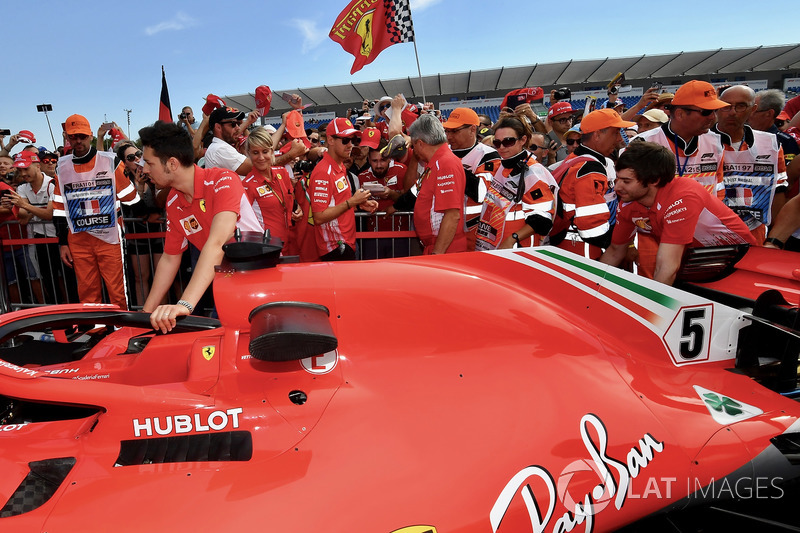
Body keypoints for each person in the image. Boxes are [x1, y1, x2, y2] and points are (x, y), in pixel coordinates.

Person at [138, 121, 262, 333]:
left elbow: (217, 243)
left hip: (256, 284)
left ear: (172, 164)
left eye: (150, 163)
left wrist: (183, 305)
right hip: (224, 284)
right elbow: (169, 258)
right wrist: (143, 317)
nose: (145, 169)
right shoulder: (173, 201)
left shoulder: (223, 180)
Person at [600, 142, 756, 285]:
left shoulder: (683, 196)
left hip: (740, 267)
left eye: (626, 181)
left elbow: (667, 267)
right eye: (617, 179)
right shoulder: (629, 202)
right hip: (696, 268)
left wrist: (651, 312)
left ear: (654, 180)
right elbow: (615, 251)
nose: (617, 187)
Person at [53, 114, 139, 309]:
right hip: (78, 239)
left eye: (82, 136)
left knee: (117, 291)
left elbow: (130, 197)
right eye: (73, 136)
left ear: (90, 135)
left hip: (109, 237)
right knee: (87, 292)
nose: (78, 140)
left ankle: (122, 331)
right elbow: (59, 209)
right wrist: (62, 243)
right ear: (67, 137)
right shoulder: (61, 167)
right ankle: (96, 332)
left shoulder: (110, 161)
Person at [550, 109, 634, 257]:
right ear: (597, 135)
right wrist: (620, 248)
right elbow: (592, 229)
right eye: (615, 133)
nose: (619, 139)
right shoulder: (590, 168)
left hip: (564, 243)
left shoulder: (574, 159)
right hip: (581, 251)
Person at [712, 85, 788, 244]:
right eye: (726, 106)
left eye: (740, 106)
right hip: (710, 234)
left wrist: (773, 239)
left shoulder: (771, 144)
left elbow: (778, 192)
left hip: (753, 234)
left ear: (752, 109)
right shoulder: (700, 140)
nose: (732, 112)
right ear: (718, 107)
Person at [475, 117, 557, 250]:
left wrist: (512, 239)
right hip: (492, 247)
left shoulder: (533, 172)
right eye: (497, 143)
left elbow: (543, 219)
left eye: (508, 141)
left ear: (523, 140)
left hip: (519, 250)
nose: (501, 147)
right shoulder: (501, 165)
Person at [310, 117, 378, 261]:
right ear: (330, 140)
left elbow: (337, 203)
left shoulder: (340, 166)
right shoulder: (323, 171)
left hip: (346, 243)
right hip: (334, 247)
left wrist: (359, 205)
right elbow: (319, 216)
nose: (351, 145)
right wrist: (352, 203)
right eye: (345, 140)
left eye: (352, 140)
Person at [442, 107, 500, 250]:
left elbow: (481, 193)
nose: (449, 137)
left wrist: (451, 163)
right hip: (444, 231)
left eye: (455, 131)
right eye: (447, 131)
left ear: (473, 129)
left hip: (476, 234)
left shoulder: (488, 155)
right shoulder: (443, 153)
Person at [409, 113, 467, 254]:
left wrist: (438, 253)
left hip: (445, 248)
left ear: (420, 143)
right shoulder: (437, 162)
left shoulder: (445, 163)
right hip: (438, 245)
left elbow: (452, 214)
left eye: (413, 145)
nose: (413, 150)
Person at [116, 141, 165, 307]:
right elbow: (132, 209)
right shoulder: (123, 181)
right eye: (131, 157)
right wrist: (139, 186)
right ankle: (143, 315)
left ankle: (162, 314)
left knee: (162, 276)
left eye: (138, 154)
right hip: (137, 233)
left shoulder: (154, 173)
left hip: (158, 231)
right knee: (141, 277)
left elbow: (160, 204)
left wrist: (150, 183)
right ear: (124, 162)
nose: (137, 159)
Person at [243, 127, 301, 249]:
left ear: (271, 151)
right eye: (255, 153)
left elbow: (291, 197)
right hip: (269, 247)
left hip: (292, 241)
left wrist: (298, 208)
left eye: (265, 151)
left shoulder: (282, 172)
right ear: (248, 154)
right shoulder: (247, 185)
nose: (261, 157)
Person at [203, 106, 252, 177]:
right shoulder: (220, 149)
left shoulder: (219, 147)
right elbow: (256, 167)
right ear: (218, 127)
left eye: (238, 123)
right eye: (233, 124)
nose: (238, 128)